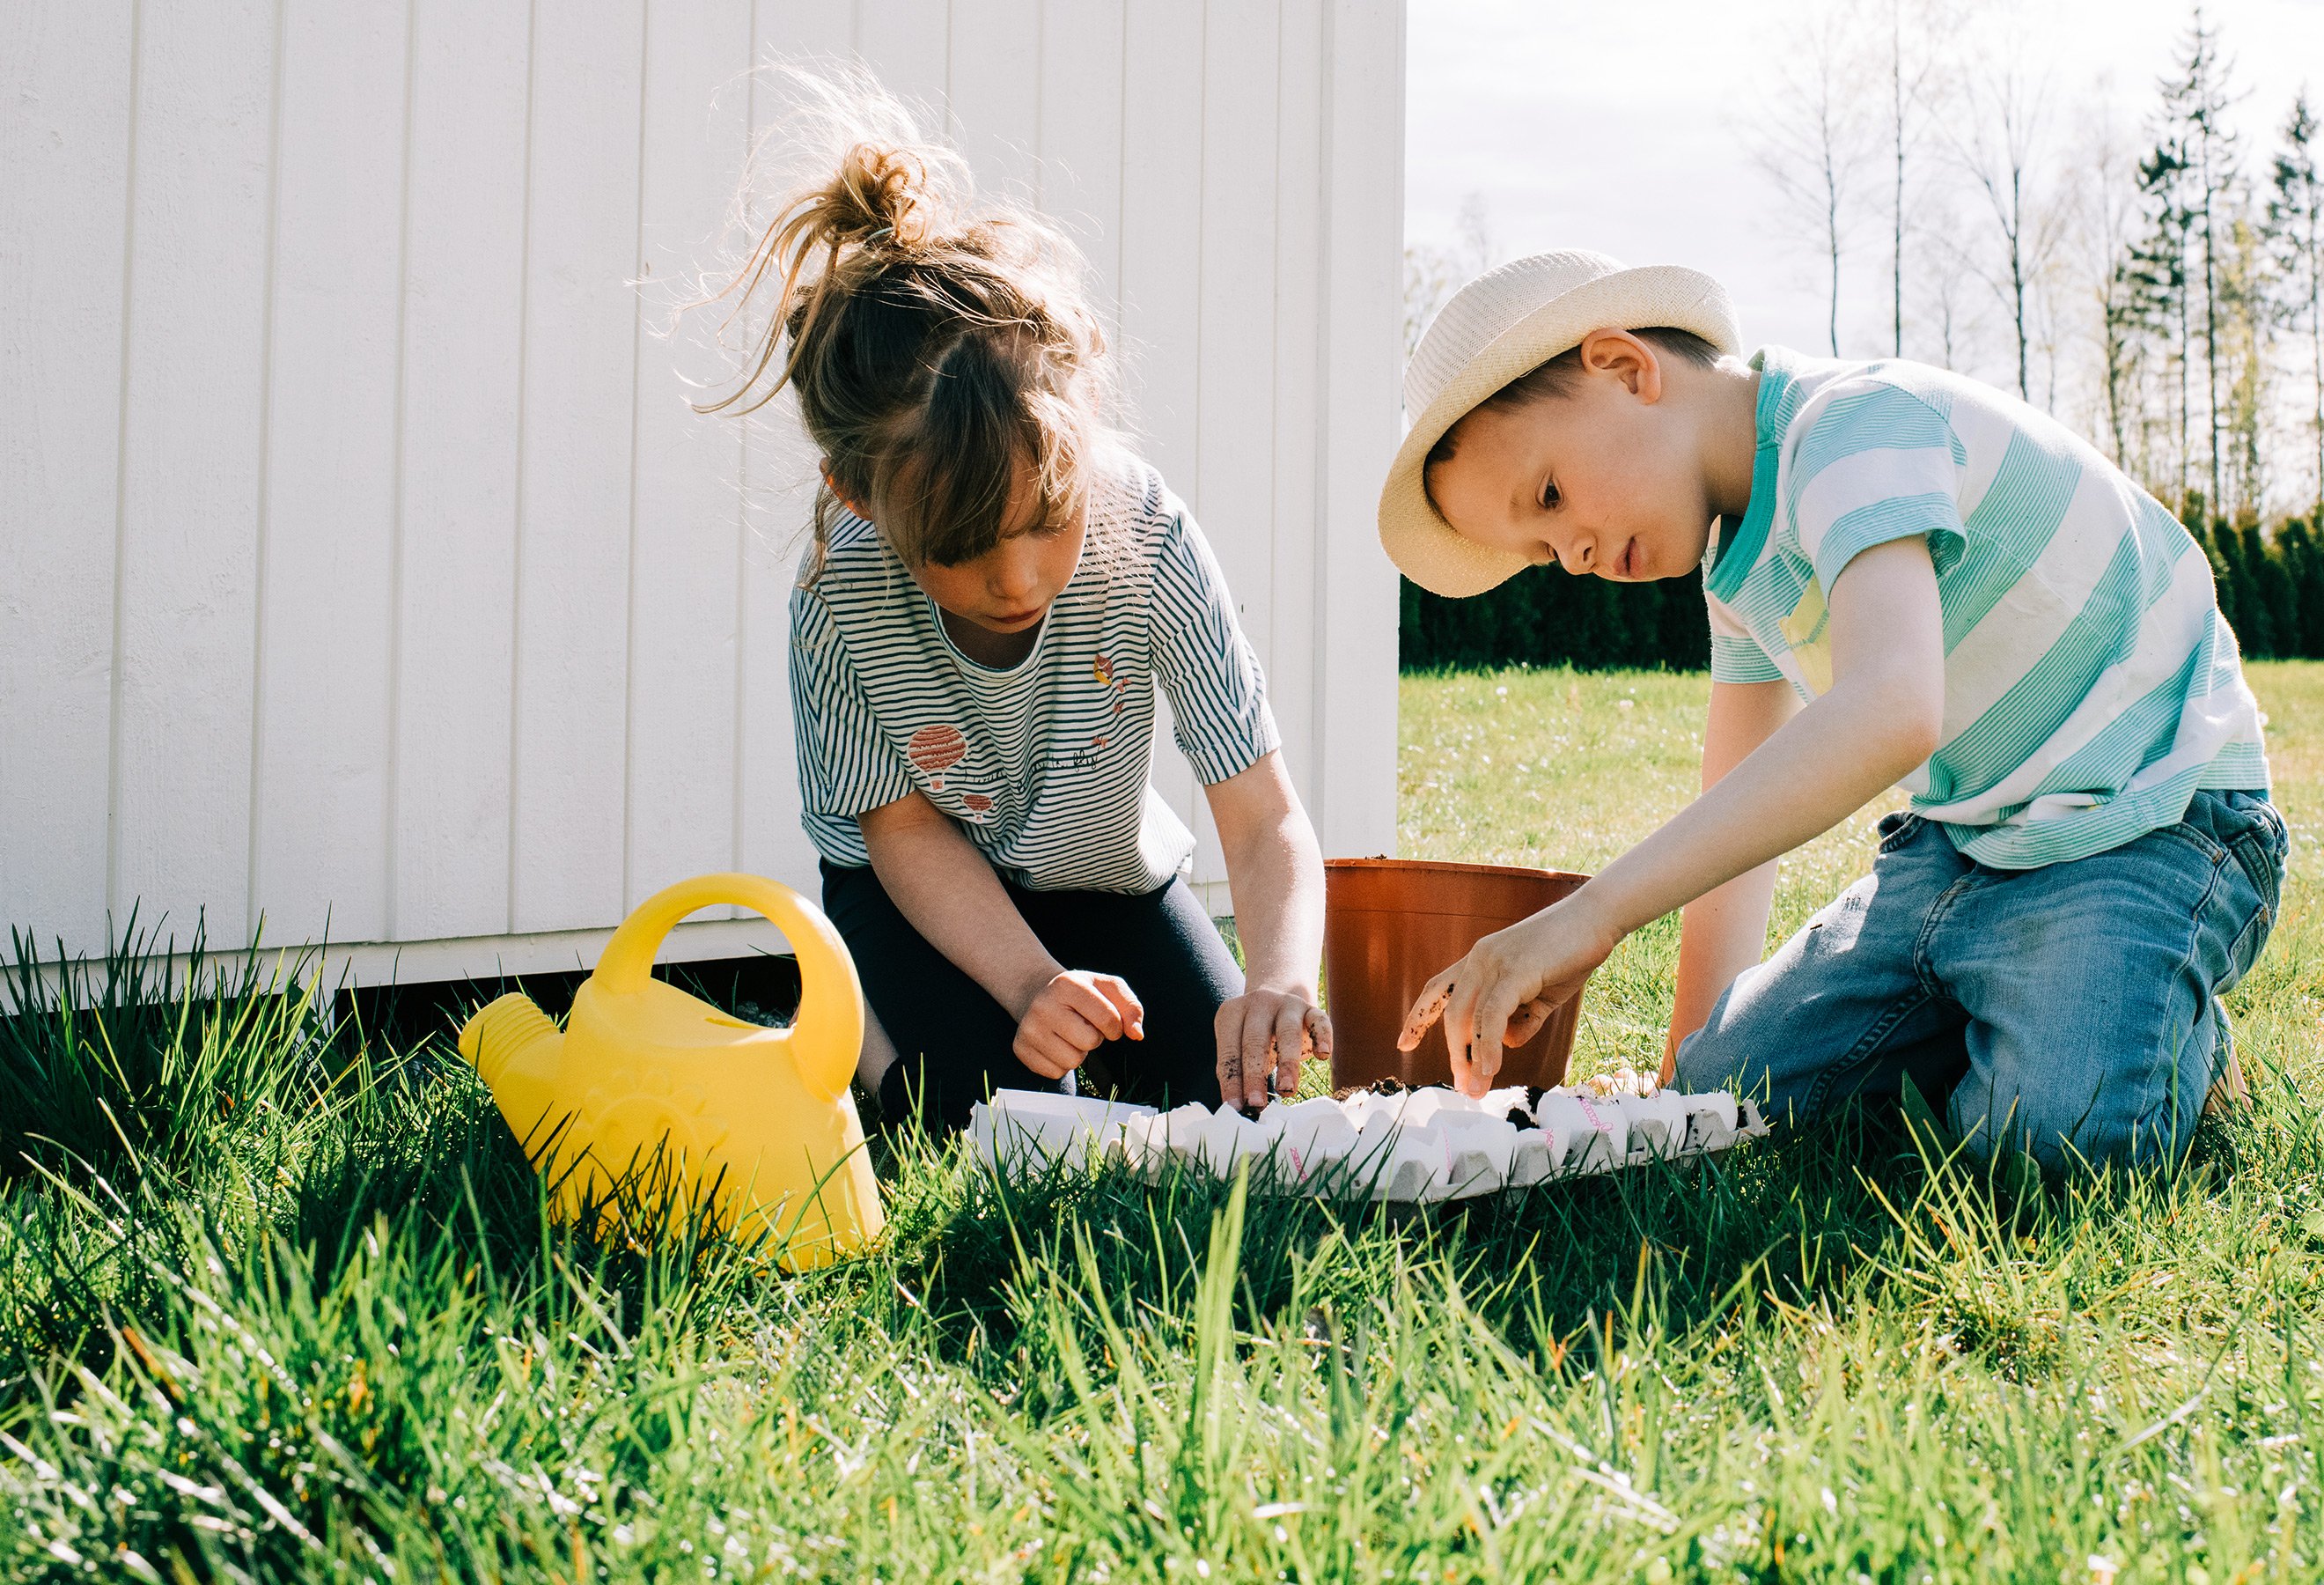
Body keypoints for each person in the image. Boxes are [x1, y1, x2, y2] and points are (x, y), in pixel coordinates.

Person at [1382, 248, 2283, 1172]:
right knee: (1732, 1097)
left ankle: (2163, 1016)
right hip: (1964, 848)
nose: (1568, 553)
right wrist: (1679, 1091)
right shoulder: (1735, 566)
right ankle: (2020, 998)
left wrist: (1595, 913)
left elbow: (1891, 709)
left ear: (1625, 368)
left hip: (2148, 823)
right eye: (1541, 548)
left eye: (1550, 495)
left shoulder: (1853, 426)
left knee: (2049, 1142)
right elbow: (1736, 816)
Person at [698, 73, 1327, 1132]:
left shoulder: (1148, 534)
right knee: (989, 1120)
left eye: (1048, 520)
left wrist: (1279, 979)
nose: (1021, 580)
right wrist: (1032, 983)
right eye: (961, 549)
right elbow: (899, 831)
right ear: (859, 496)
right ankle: (867, 1040)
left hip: (1103, 878)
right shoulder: (840, 588)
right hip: (917, 898)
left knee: (1233, 1109)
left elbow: (1264, 819)